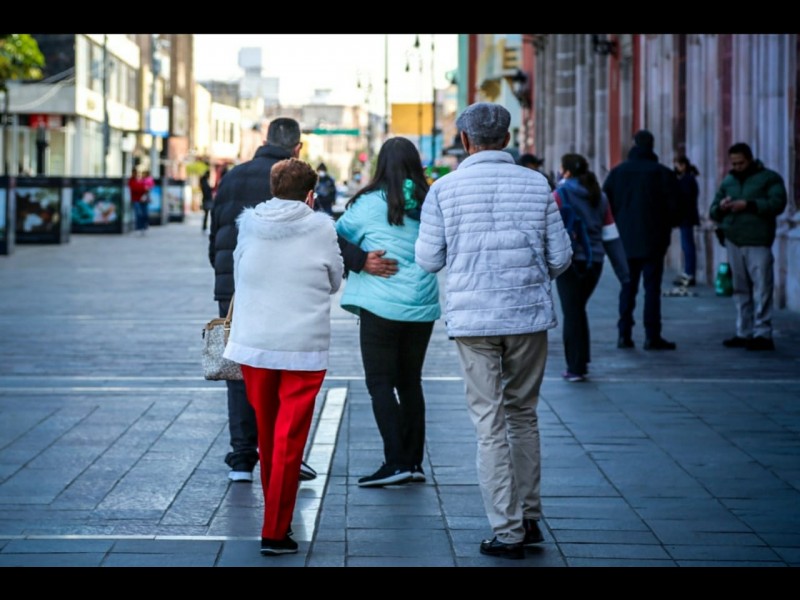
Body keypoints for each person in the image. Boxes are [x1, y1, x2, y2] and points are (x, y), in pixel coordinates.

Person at [415, 102, 572, 559]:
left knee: (489, 424)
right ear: (507, 138)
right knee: (523, 414)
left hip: (474, 321)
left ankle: (507, 530)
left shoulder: (444, 189)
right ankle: (530, 516)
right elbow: (561, 257)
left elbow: (428, 260)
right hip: (527, 317)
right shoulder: (537, 184)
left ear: (465, 141)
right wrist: (529, 276)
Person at [209, 117, 397, 484]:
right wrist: (360, 260)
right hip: (287, 290)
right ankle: (284, 452)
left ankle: (243, 457)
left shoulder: (233, 177)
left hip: (234, 286)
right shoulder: (298, 180)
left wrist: (222, 274)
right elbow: (320, 234)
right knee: (284, 368)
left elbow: (217, 231)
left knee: (242, 370)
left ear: (265, 139)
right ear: (297, 147)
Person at [223, 158, 343, 556]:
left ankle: (277, 520)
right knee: (289, 437)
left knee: (269, 432)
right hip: (302, 345)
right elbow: (334, 280)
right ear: (310, 195)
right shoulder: (321, 227)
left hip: (255, 343)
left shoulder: (249, 224)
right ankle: (275, 529)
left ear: (272, 189)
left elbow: (239, 272)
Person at [335, 137, 441, 488]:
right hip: (421, 305)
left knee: (380, 383)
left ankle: (395, 461)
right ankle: (413, 462)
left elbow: (332, 237)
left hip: (380, 304)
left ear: (381, 165)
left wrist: (361, 260)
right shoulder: (432, 202)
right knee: (410, 382)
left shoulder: (368, 204)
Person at [553, 153, 630, 382]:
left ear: (566, 171)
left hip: (569, 262)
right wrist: (623, 273)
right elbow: (610, 235)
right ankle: (581, 362)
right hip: (594, 262)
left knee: (572, 312)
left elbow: (546, 229)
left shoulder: (559, 195)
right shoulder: (599, 196)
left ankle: (575, 367)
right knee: (578, 309)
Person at [602, 129, 680, 351]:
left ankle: (624, 334)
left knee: (627, 288)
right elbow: (675, 208)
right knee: (652, 289)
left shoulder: (617, 173)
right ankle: (652, 336)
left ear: (634, 144)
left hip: (625, 240)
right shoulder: (663, 173)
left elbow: (606, 205)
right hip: (654, 240)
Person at [709, 142, 787, 351]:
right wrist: (722, 207)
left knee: (762, 287)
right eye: (733, 163)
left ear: (750, 160)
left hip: (758, 240)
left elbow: (778, 203)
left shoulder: (769, 178)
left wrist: (749, 205)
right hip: (734, 240)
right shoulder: (729, 181)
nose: (737, 167)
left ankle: (763, 332)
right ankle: (743, 331)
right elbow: (713, 210)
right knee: (740, 288)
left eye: (741, 163)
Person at [672, 156, 700, 287]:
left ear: (683, 165)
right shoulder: (687, 178)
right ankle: (687, 272)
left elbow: (684, 197)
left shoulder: (687, 179)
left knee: (687, 245)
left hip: (686, 217)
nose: (676, 168)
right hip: (686, 216)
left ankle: (689, 273)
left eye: (677, 165)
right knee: (686, 245)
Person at [128, 168, 151, 236]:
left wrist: (145, 190)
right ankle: (139, 227)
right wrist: (143, 189)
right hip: (136, 199)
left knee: (145, 214)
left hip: (143, 200)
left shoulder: (142, 180)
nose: (137, 175)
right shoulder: (131, 181)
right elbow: (134, 189)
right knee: (138, 214)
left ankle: (144, 226)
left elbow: (147, 188)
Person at [200, 168, 213, 232]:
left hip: (206, 200)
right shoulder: (205, 183)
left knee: (206, 214)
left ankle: (204, 226)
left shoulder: (204, 182)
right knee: (206, 214)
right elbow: (207, 192)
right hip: (207, 200)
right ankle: (204, 227)